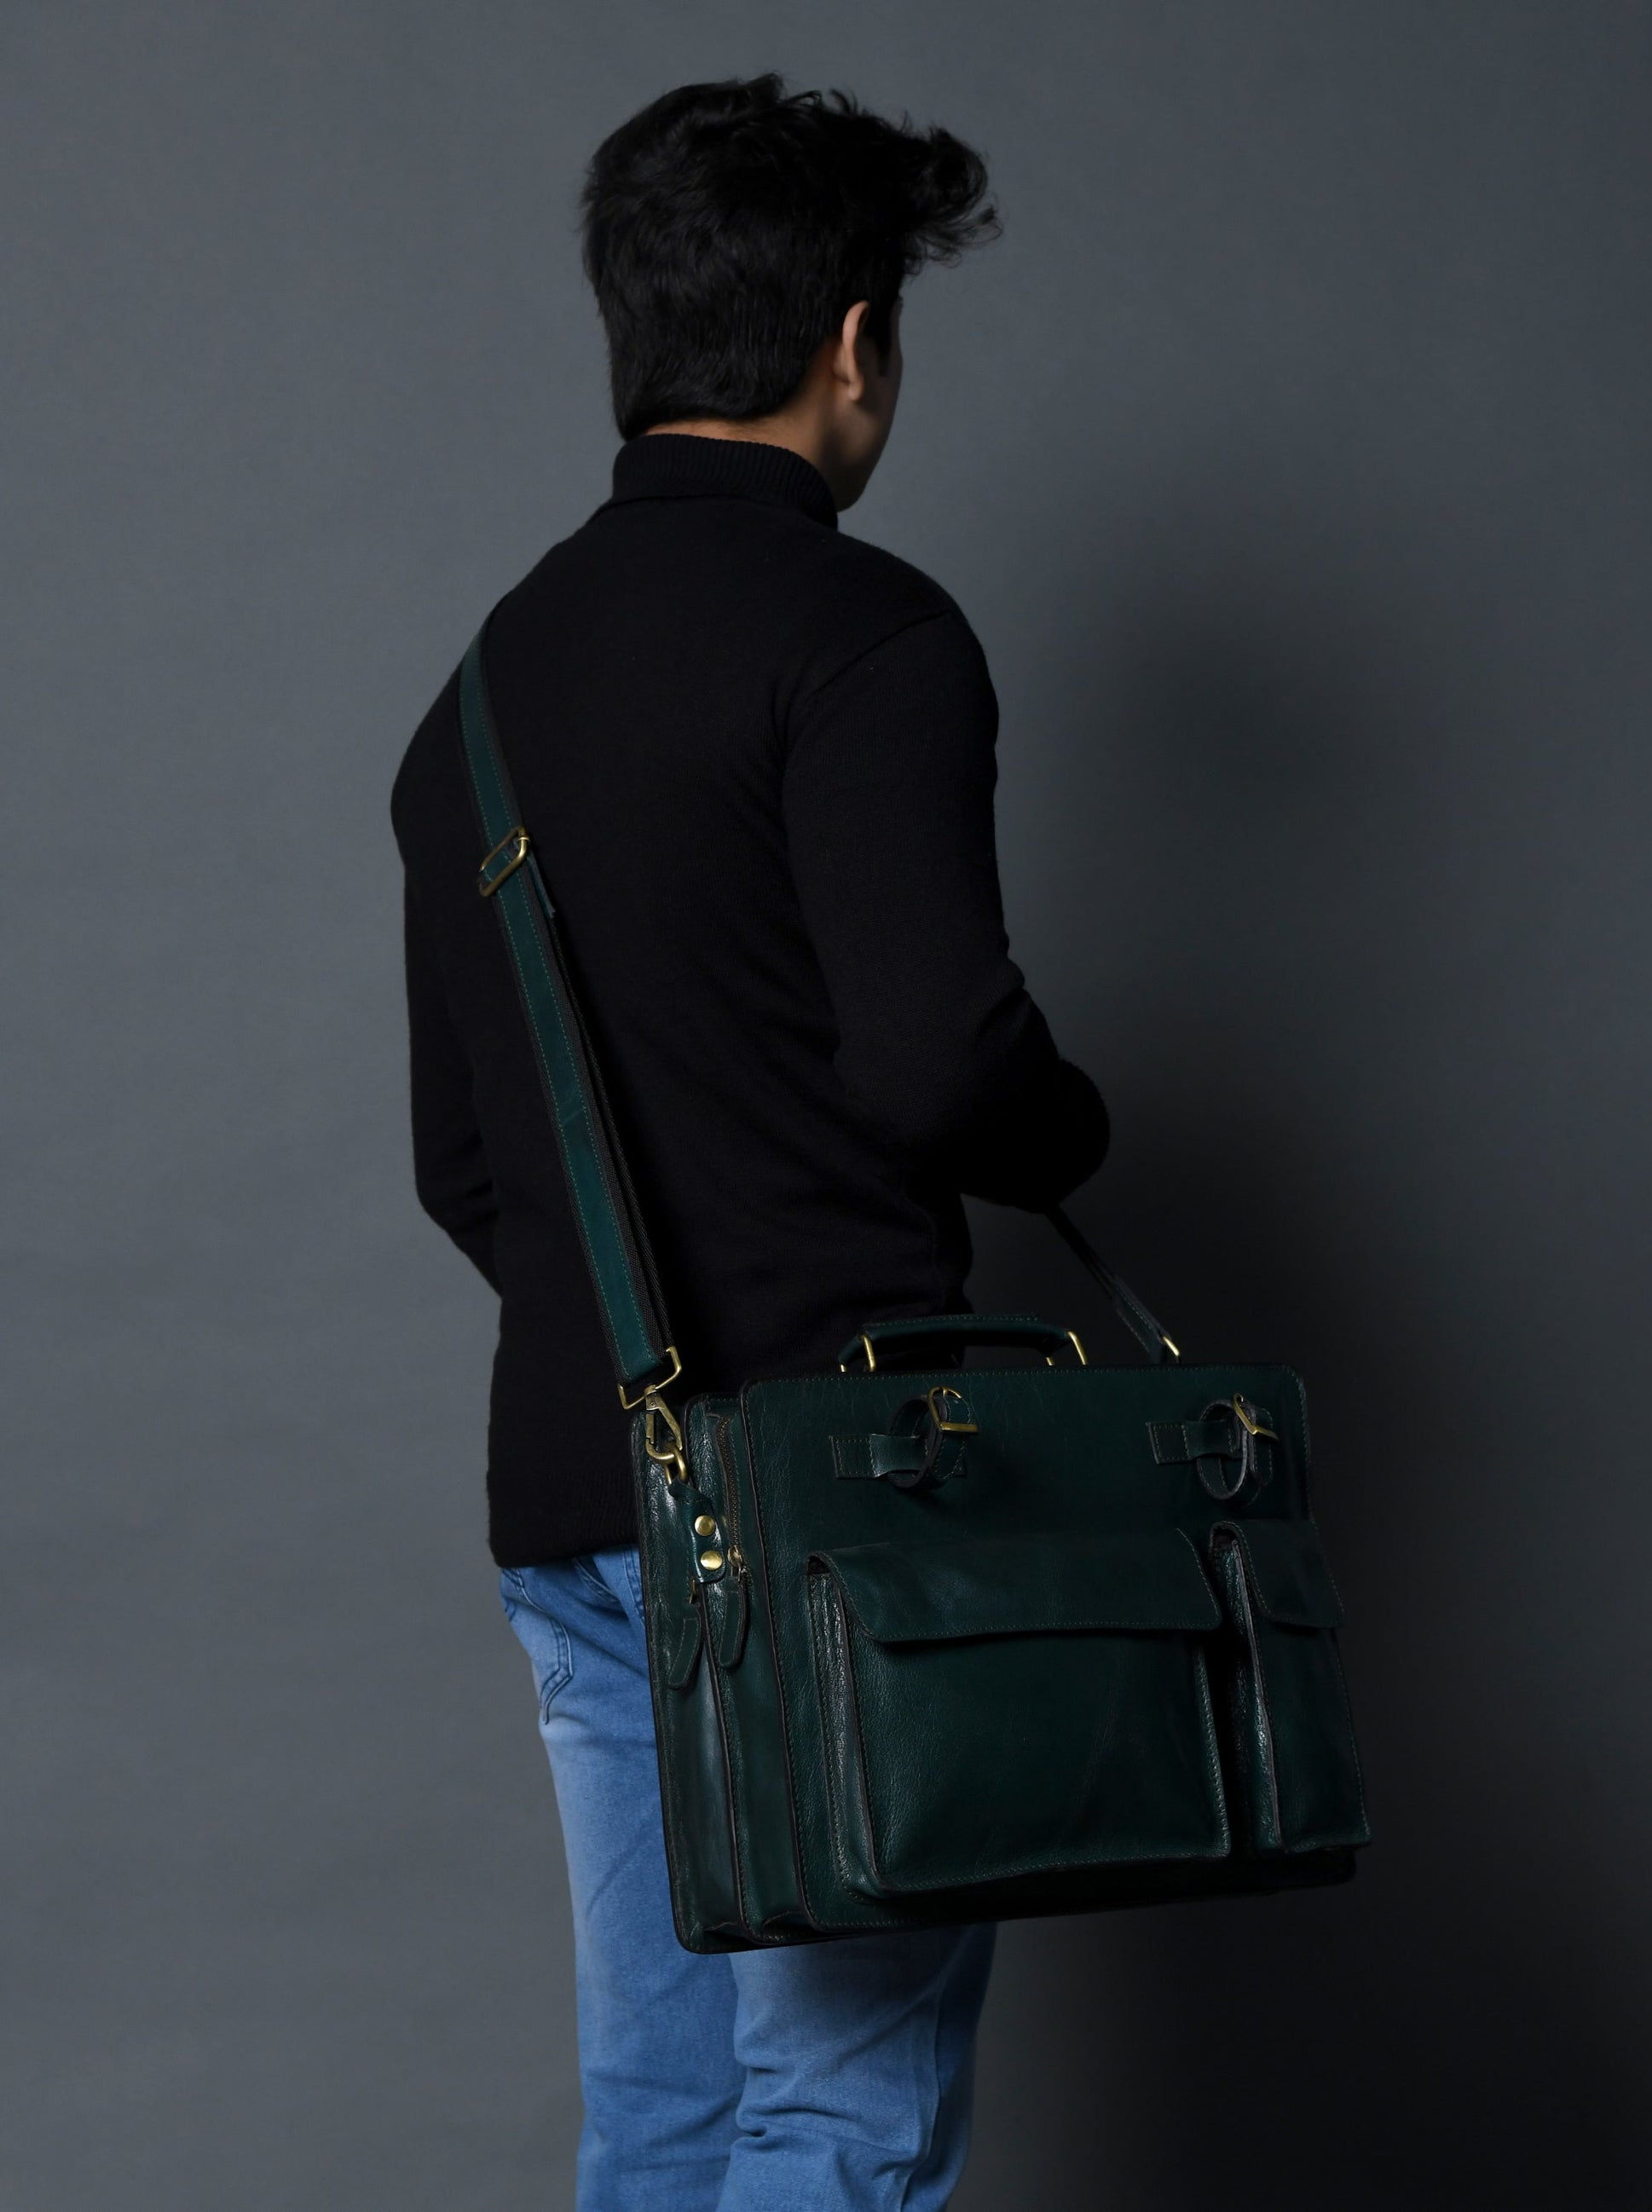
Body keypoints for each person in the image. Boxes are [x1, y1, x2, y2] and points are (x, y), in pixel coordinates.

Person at [391, 73, 1109, 2212]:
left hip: (581, 1491)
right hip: (833, 1510)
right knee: (837, 2115)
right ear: (854, 343)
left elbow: (461, 1164)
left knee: (672, 2110)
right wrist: (1079, 1124)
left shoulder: (475, 701)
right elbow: (943, 1064)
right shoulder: (865, 635)